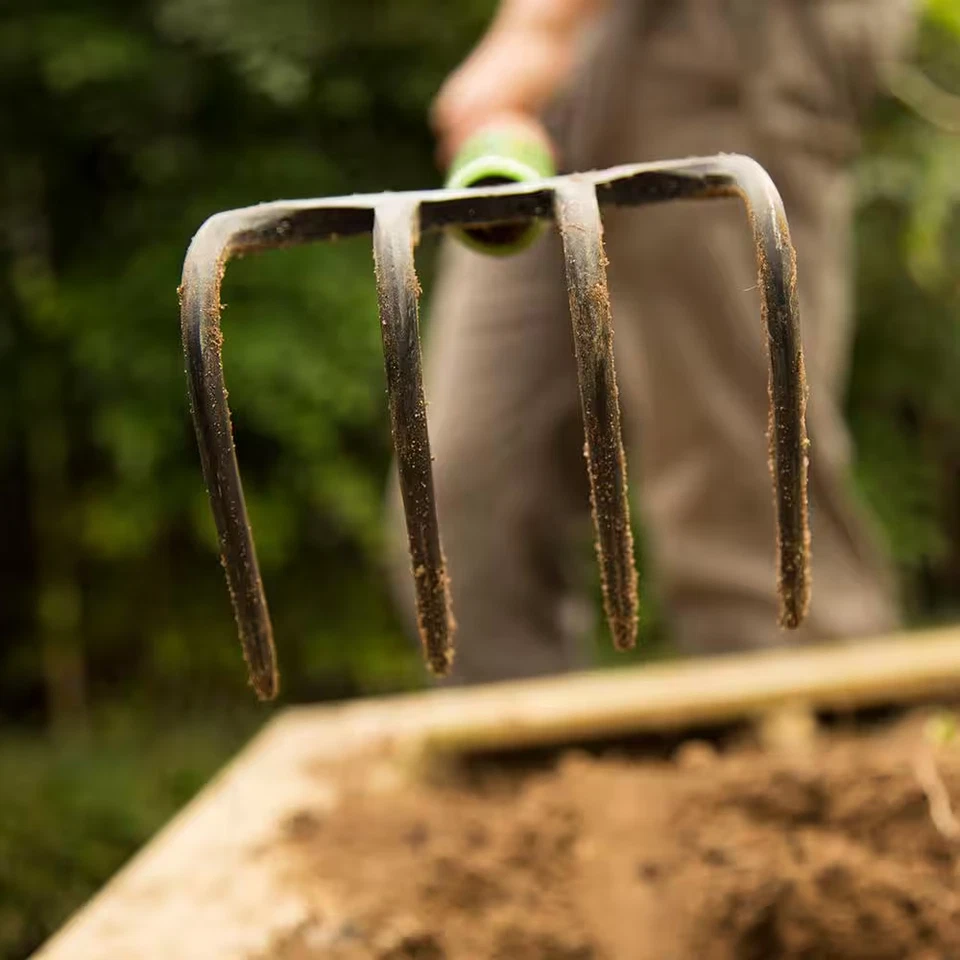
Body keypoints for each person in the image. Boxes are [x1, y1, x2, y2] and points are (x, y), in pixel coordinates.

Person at [386, 0, 917, 685]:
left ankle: (828, 763)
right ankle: (536, 778)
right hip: (584, 49)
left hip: (720, 30)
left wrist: (537, 28)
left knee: (741, 508)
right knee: (465, 502)